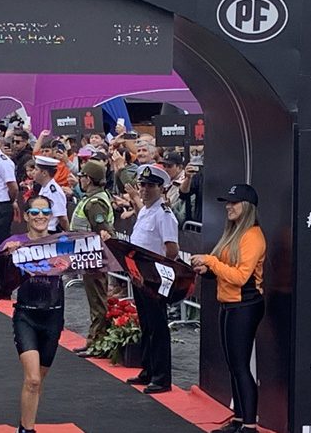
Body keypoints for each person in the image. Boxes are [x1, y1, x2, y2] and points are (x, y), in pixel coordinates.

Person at [190, 184, 266, 433]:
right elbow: (225, 270)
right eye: (228, 202)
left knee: (241, 366)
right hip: (230, 304)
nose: (228, 207)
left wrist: (211, 261)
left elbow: (241, 277)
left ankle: (249, 425)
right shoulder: (234, 233)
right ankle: (239, 419)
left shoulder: (253, 236)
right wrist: (207, 270)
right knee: (234, 366)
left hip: (245, 305)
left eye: (234, 202)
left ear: (247, 206)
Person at [0, 196, 66, 433]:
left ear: (51, 216)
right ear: (26, 216)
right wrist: (6, 255)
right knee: (33, 379)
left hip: (54, 317)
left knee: (38, 380)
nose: (40, 217)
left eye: (45, 212)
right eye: (35, 213)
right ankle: (27, 430)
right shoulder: (15, 242)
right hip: (26, 315)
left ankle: (24, 424)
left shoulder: (62, 242)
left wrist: (104, 238)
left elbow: (94, 253)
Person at [125, 164, 179, 394]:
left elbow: (172, 249)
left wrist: (158, 272)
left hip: (154, 277)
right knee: (146, 324)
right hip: (140, 275)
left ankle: (161, 377)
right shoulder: (146, 211)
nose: (145, 189)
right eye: (143, 185)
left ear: (161, 188)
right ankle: (147, 369)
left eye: (151, 186)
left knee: (158, 326)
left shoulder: (163, 215)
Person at [70, 161, 114, 357]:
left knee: (97, 300)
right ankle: (94, 339)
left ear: (88, 179)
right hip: (88, 255)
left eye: (82, 176)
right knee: (95, 298)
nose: (80, 180)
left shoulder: (95, 203)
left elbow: (104, 230)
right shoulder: (92, 198)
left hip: (94, 256)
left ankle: (98, 341)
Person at [32, 156, 69, 233]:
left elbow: (62, 218)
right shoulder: (44, 187)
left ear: (44, 173)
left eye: (36, 169)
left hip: (50, 231)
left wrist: (68, 233)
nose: (33, 172)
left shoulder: (54, 192)